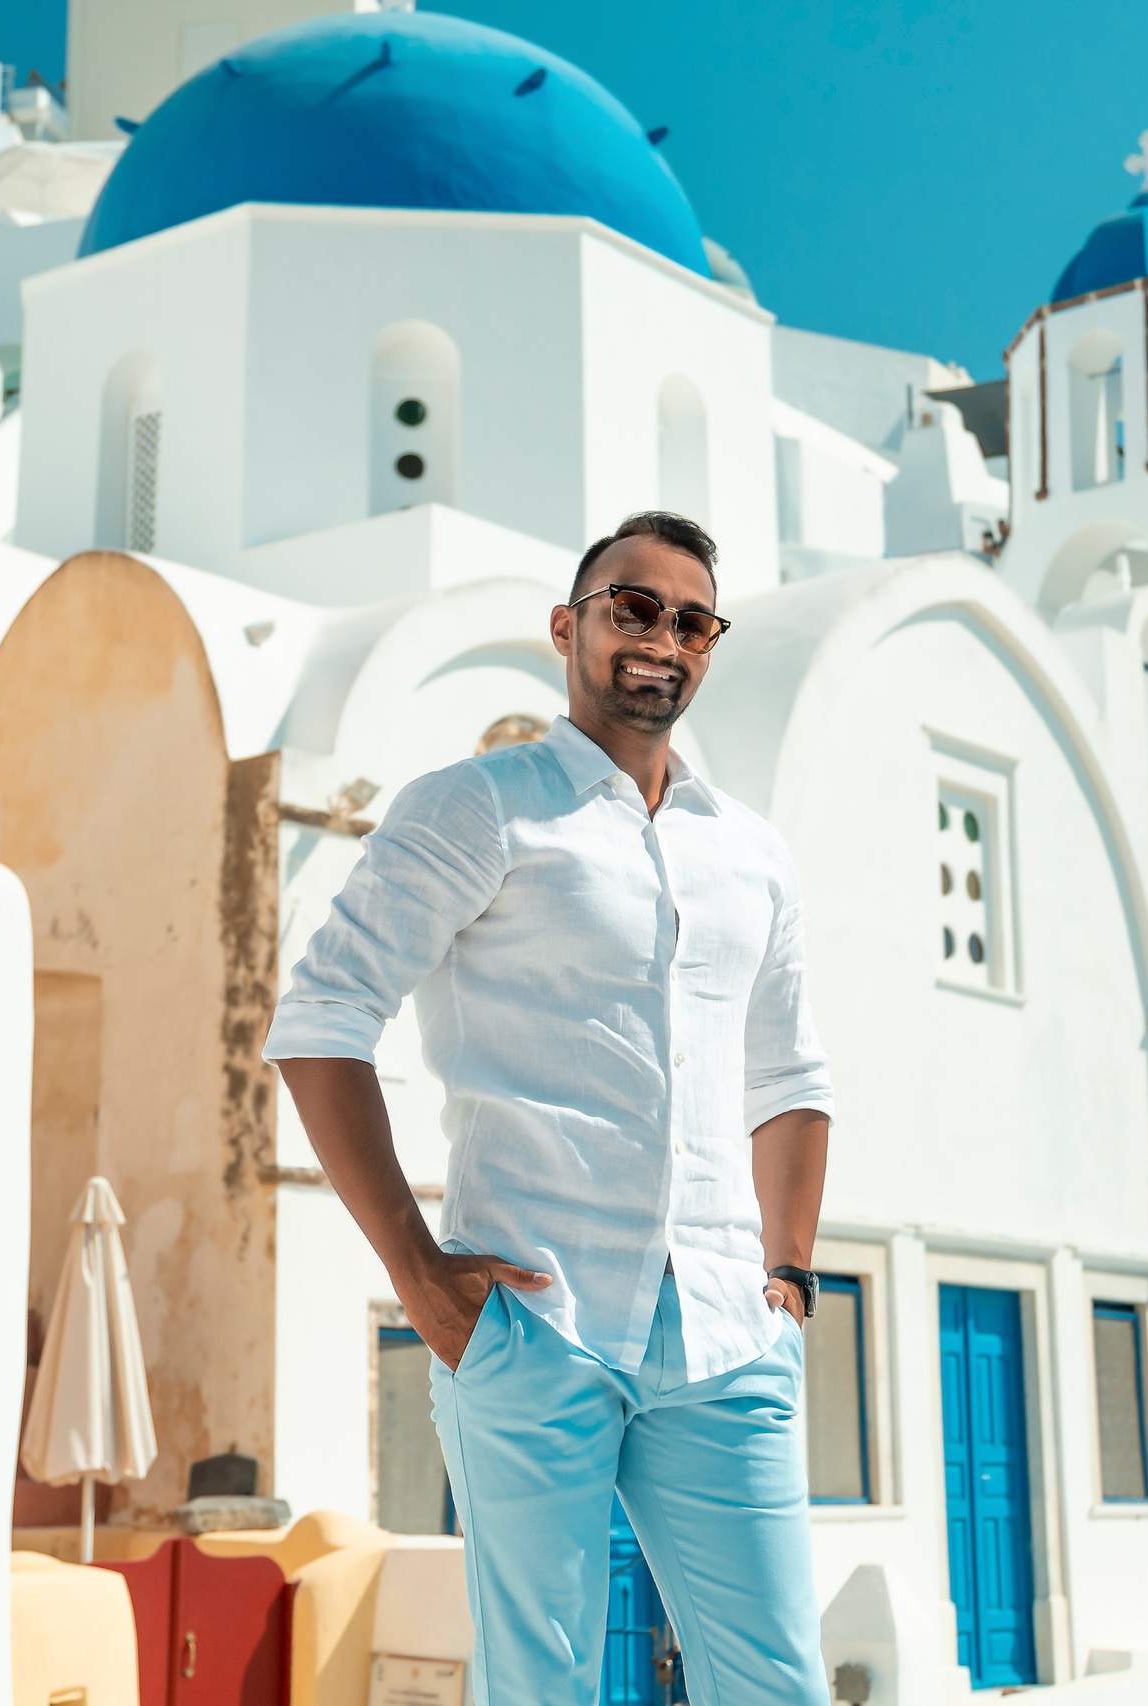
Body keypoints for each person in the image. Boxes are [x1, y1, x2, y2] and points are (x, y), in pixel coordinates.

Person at [262, 511, 834, 1706]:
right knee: (544, 1687)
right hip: (535, 1321)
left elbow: (788, 1080)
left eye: (691, 620)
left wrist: (787, 1276)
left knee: (778, 1684)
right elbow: (321, 1019)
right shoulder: (479, 806)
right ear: (567, 628)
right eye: (634, 606)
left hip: (728, 1335)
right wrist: (417, 1273)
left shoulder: (753, 852)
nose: (661, 636)